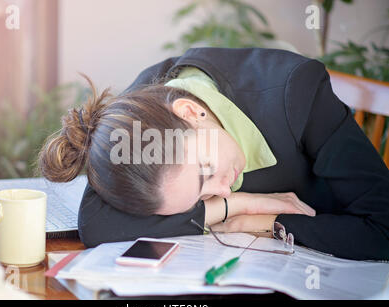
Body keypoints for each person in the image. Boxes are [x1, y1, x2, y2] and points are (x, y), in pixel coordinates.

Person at [38, 47, 389, 261]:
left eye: (206, 172)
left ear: (191, 112)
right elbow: (98, 225)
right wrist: (235, 206)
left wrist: (268, 224)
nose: (222, 189)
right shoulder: (138, 120)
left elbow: (383, 229)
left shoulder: (298, 92)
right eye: (202, 196)